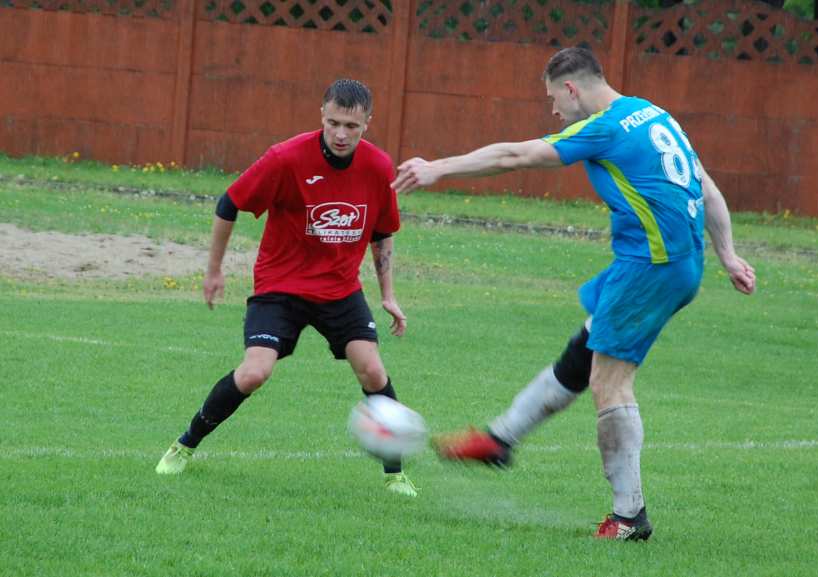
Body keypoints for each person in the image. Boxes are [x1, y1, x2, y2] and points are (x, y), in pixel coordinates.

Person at [391, 47, 756, 536]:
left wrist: (439, 168)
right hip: (678, 261)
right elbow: (706, 186)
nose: (554, 112)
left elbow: (516, 155)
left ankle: (629, 517)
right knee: (583, 353)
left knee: (610, 383)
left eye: (553, 100)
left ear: (571, 88)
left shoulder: (602, 126)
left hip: (651, 265)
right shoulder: (652, 113)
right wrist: (728, 254)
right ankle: (501, 438)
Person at [156, 78, 418, 497]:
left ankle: (394, 475)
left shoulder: (378, 167)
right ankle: (185, 444)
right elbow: (229, 203)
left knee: (371, 369)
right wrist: (214, 270)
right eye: (333, 123)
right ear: (322, 116)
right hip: (282, 286)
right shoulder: (286, 158)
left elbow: (382, 231)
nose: (341, 134)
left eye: (351, 125)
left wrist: (387, 293)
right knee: (255, 372)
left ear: (367, 122)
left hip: (339, 289)